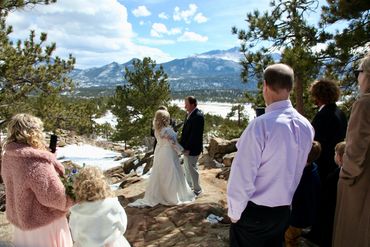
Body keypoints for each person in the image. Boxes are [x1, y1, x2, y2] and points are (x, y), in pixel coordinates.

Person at [227, 63, 314, 247]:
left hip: (255, 213)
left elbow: (242, 175)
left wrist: (234, 214)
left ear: (265, 86)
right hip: (283, 212)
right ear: (290, 87)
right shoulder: (306, 126)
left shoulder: (261, 126)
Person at [1, 113, 74, 247]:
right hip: (44, 227)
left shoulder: (9, 156)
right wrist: (74, 196)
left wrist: (48, 158)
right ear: (32, 133)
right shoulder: (36, 162)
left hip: (22, 224)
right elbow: (56, 198)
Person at [333, 54, 370, 247]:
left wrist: (345, 174)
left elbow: (356, 149)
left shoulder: (364, 104)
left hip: (361, 183)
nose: (358, 77)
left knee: (353, 234)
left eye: (360, 72)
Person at [129, 110, 195, 207]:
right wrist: (182, 151)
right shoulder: (167, 130)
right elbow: (173, 143)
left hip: (159, 152)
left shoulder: (156, 129)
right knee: (170, 174)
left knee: (160, 173)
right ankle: (171, 196)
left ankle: (160, 194)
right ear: (166, 119)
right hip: (168, 153)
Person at [69, 166, 130, 247]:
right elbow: (122, 226)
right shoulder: (113, 203)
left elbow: (75, 235)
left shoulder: (76, 211)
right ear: (103, 183)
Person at [309, 79, 347, 183]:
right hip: (338, 165)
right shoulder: (340, 113)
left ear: (318, 96)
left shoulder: (322, 116)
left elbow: (316, 144)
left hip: (324, 170)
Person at [284, 141, 321, 247]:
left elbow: (296, 199)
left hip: (297, 219)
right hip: (304, 217)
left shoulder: (304, 178)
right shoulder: (313, 169)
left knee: (290, 239)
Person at [320, 141, 345, 247]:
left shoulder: (335, 176)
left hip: (330, 211)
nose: (334, 156)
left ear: (340, 158)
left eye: (335, 153)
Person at [179, 96, 205, 196]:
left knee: (192, 168)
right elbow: (185, 132)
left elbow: (195, 135)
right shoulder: (188, 114)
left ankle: (197, 189)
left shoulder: (198, 116)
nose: (185, 105)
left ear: (193, 104)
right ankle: (189, 187)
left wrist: (188, 149)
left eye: (186, 103)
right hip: (186, 148)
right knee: (187, 168)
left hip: (193, 149)